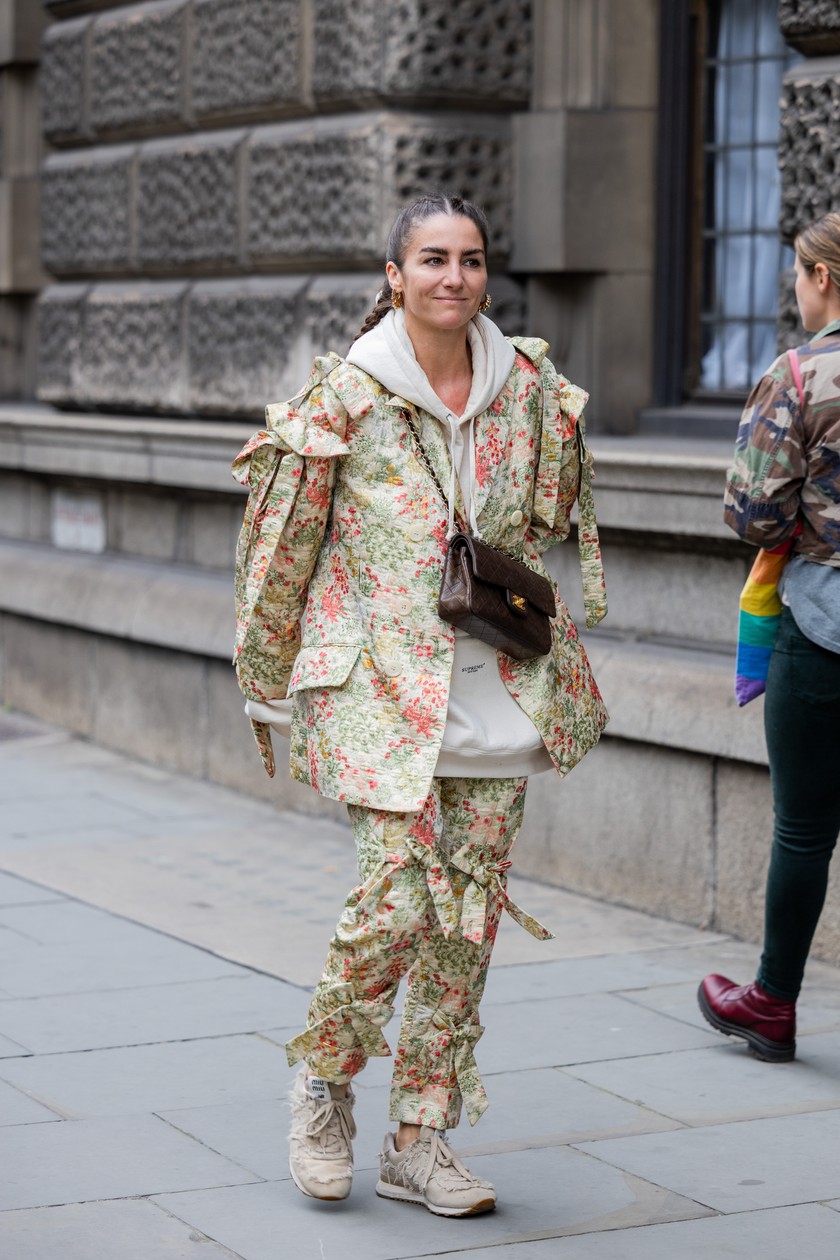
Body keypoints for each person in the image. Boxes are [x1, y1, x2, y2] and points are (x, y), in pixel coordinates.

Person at [232, 193, 608, 1215]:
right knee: (397, 900)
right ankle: (325, 1081)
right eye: (433, 259)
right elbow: (284, 547)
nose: (455, 277)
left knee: (466, 920)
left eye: (471, 259)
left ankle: (419, 1137)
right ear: (395, 277)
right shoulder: (346, 396)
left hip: (496, 683)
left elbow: (547, 518)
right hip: (378, 691)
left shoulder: (527, 387)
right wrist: (266, 677)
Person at [699, 210, 840, 1063]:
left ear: (822, 276)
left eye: (798, 273)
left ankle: (771, 1003)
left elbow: (753, 514)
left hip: (824, 626)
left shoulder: (800, 375)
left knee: (805, 828)